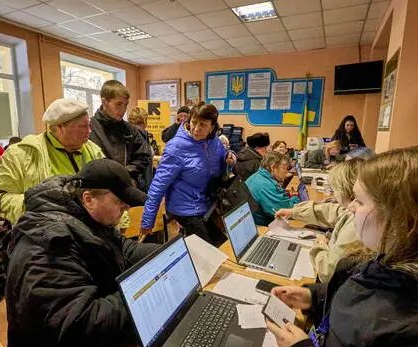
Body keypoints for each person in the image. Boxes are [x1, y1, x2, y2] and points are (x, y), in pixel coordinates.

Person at [266, 146, 418, 347]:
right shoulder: (408, 259)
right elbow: (370, 292)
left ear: (404, 218)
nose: (350, 207)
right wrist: (316, 296)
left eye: (361, 201)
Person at [6, 159, 160, 347]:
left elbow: (123, 248)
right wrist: (148, 292)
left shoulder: (84, 216)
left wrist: (170, 255)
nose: (126, 207)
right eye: (119, 202)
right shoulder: (49, 245)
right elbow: (79, 324)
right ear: (88, 198)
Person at [0, 98, 104, 224]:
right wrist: (33, 204)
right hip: (44, 236)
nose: (89, 131)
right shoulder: (21, 154)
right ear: (60, 127)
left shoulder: (94, 151)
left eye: (88, 125)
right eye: (83, 126)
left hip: (92, 234)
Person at [141, 102, 236, 246]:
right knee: (211, 250)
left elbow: (223, 158)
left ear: (212, 127)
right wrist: (148, 221)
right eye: (194, 122)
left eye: (203, 125)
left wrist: (229, 156)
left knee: (223, 245)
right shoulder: (176, 147)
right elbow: (158, 186)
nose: (196, 129)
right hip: (184, 207)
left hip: (207, 204)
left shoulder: (214, 141)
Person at [275, 159, 365, 282]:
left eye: (335, 189)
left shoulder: (357, 223)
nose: (334, 194)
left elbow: (327, 272)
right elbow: (335, 211)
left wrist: (320, 244)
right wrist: (293, 212)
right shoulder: (354, 211)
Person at [89, 80, 151, 191]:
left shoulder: (130, 130)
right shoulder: (89, 128)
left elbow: (142, 156)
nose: (123, 110)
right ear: (104, 102)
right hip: (99, 188)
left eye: (126, 105)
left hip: (126, 185)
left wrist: (127, 173)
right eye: (118, 104)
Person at [245, 152, 300, 225]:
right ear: (273, 167)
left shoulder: (259, 176)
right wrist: (295, 197)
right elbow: (286, 210)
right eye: (284, 168)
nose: (286, 172)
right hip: (265, 227)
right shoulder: (265, 184)